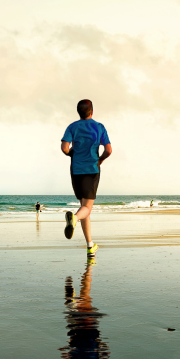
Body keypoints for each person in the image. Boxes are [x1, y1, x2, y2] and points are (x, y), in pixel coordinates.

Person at [60, 99, 111, 256]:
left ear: (79, 112)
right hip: (91, 169)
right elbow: (108, 150)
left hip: (76, 170)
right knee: (87, 208)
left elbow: (64, 148)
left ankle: (90, 246)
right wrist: (100, 160)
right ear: (92, 111)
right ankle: (74, 219)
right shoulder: (99, 127)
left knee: (85, 207)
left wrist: (72, 153)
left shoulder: (72, 127)